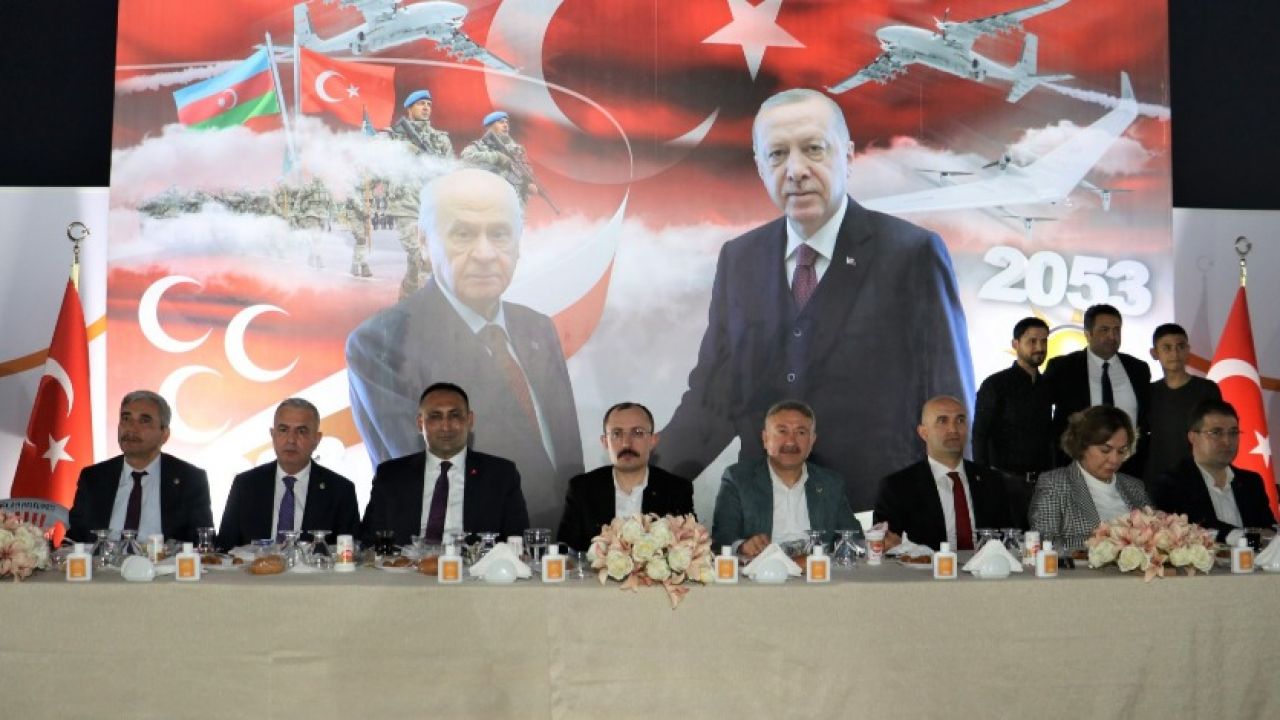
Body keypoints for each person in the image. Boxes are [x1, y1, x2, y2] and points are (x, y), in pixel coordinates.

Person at [658, 88, 973, 512]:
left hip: (879, 519)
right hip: (763, 520)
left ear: (848, 155)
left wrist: (958, 514)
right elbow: (712, 397)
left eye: (813, 149)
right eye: (777, 154)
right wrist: (641, 488)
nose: (795, 170)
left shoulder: (911, 253)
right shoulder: (739, 259)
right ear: (759, 167)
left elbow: (949, 399)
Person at [346, 168, 582, 530]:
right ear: (423, 242)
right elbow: (422, 477)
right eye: (463, 234)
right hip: (465, 549)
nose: (485, 253)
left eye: (499, 234)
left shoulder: (537, 327)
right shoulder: (383, 341)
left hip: (560, 543)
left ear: (519, 243)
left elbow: (566, 458)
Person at [359, 383, 530, 546]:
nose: (446, 426)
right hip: (408, 565)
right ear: (420, 423)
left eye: (454, 415)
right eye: (435, 416)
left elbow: (517, 542)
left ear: (469, 420)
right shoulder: (391, 475)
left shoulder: (501, 475)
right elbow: (369, 542)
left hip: (474, 566)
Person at [710, 400, 861, 558]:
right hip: (764, 570)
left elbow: (855, 537)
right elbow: (722, 537)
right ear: (765, 438)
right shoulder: (738, 479)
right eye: (782, 431)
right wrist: (742, 546)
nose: (790, 441)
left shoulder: (831, 483)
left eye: (800, 432)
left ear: (812, 441)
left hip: (817, 569)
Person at [67, 391, 213, 543]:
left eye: (144, 421)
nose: (131, 428)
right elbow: (74, 539)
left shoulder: (190, 479)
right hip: (102, 559)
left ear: (164, 434)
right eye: (126, 418)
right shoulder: (93, 477)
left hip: (162, 558)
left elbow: (202, 542)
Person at [216, 398, 360, 550]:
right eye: (283, 430)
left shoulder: (340, 490)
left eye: (301, 431)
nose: (291, 440)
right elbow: (224, 548)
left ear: (316, 439)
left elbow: (350, 553)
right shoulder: (246, 485)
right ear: (273, 435)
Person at [874, 396, 1014, 551]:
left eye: (960, 420)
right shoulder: (897, 487)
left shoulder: (992, 481)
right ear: (923, 432)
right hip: (926, 567)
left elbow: (1008, 540)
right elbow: (887, 546)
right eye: (942, 421)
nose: (953, 429)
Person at [557, 402, 694, 552]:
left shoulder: (676, 490)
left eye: (637, 433)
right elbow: (564, 551)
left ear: (653, 440)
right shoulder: (582, 488)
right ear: (605, 442)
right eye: (617, 434)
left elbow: (691, 547)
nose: (626, 443)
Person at [1043, 303, 1150, 475]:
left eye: (1116, 330)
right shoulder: (1063, 367)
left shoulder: (1138, 369)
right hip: (1079, 467)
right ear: (1088, 334)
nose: (1112, 336)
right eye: (1104, 330)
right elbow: (1042, 414)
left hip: (1129, 469)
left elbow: (1145, 419)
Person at [1028, 405, 1151, 552]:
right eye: (1105, 450)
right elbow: (1045, 542)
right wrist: (1107, 543)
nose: (1114, 460)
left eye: (1121, 451)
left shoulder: (1134, 487)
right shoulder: (1054, 484)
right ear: (1082, 446)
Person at [971, 316, 1055, 524]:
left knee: (1040, 539)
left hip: (1043, 484)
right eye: (1032, 341)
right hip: (1005, 483)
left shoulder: (1047, 385)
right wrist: (982, 480)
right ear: (1015, 344)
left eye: (1044, 341)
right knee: (1008, 539)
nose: (1039, 347)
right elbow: (980, 434)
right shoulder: (995, 384)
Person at [1149, 399, 1274, 535]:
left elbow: (1269, 530)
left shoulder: (1251, 482)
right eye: (1216, 432)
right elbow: (1192, 525)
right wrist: (1239, 536)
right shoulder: (1171, 483)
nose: (1227, 441)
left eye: (1233, 433)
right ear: (1192, 437)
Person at [381, 89, 455, 298]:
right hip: (405, 203)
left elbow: (449, 170)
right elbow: (376, 154)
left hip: (432, 205)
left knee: (429, 260)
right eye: (421, 104)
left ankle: (409, 292)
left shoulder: (440, 139)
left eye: (429, 104)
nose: (426, 108)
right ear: (409, 109)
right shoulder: (394, 135)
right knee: (418, 255)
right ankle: (415, 304)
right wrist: (404, 148)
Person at [1144, 323, 1221, 483]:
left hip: (1198, 475)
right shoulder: (1148, 392)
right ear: (1154, 353)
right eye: (1167, 347)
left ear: (1188, 350)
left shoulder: (1206, 389)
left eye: (1180, 346)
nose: (1175, 353)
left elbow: (1217, 432)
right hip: (1157, 475)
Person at [461, 111, 538, 205]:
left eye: (506, 122)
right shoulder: (480, 146)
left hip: (513, 203)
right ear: (489, 127)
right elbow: (466, 156)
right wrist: (496, 157)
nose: (505, 125)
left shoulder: (517, 149)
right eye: (501, 122)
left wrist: (527, 185)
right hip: (487, 200)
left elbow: (526, 172)